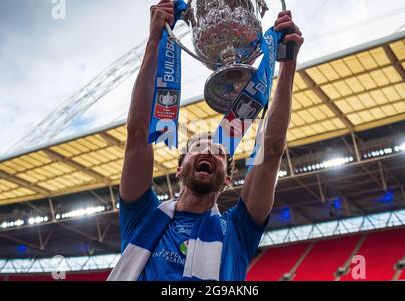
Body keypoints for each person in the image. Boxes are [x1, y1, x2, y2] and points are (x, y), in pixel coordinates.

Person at [109, 0, 303, 281]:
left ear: (227, 179)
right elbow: (138, 134)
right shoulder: (142, 215)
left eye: (220, 154)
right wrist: (154, 42)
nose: (209, 152)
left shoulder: (238, 229)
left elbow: (271, 151)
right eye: (198, 147)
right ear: (179, 169)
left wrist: (287, 64)